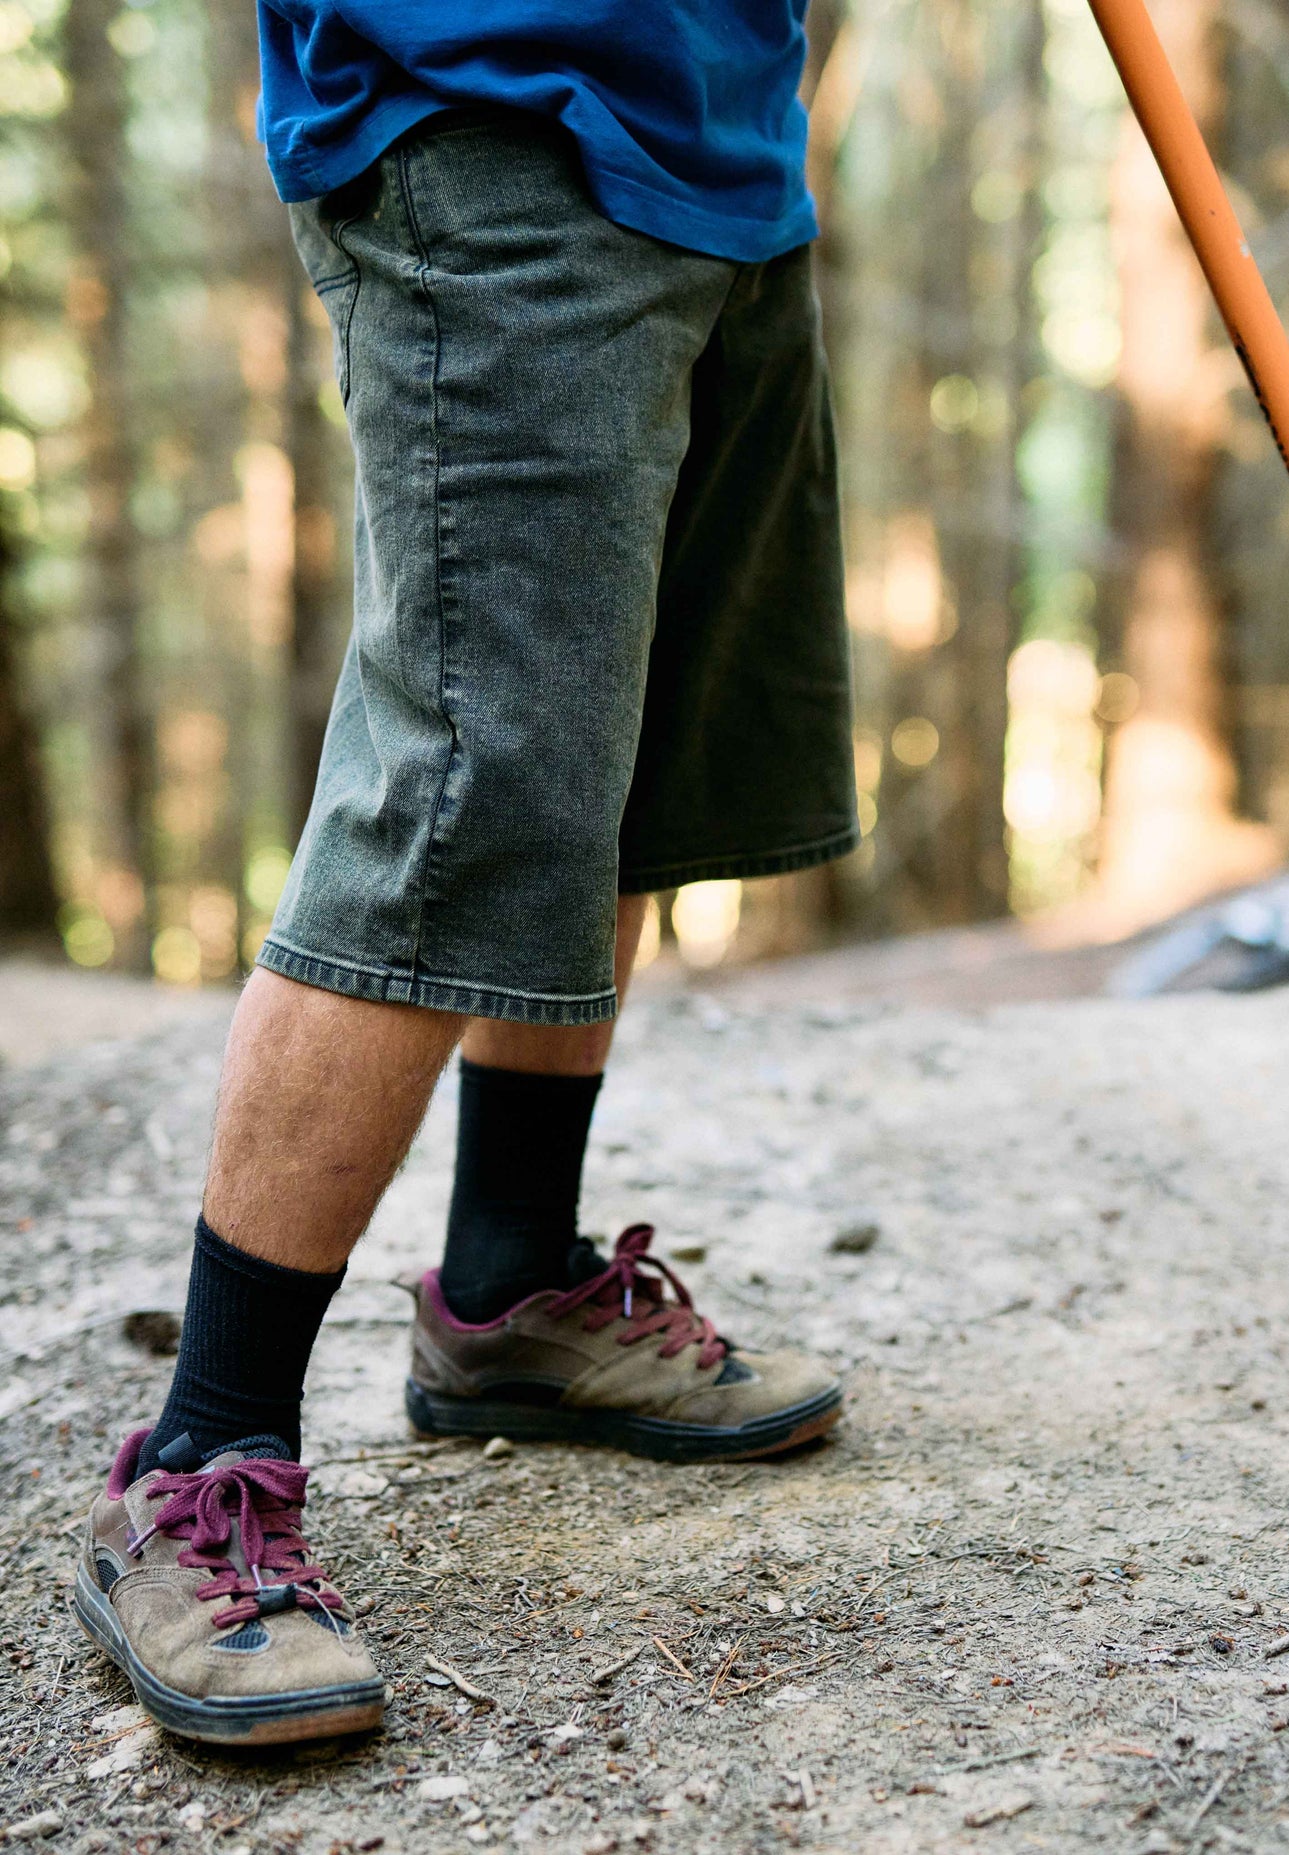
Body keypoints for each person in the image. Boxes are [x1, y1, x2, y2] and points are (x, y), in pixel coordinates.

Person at [71, 1, 859, 1748]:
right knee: (468, 794)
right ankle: (199, 1455)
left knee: (611, 765)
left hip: (724, 138)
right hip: (489, 119)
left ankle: (510, 1285)